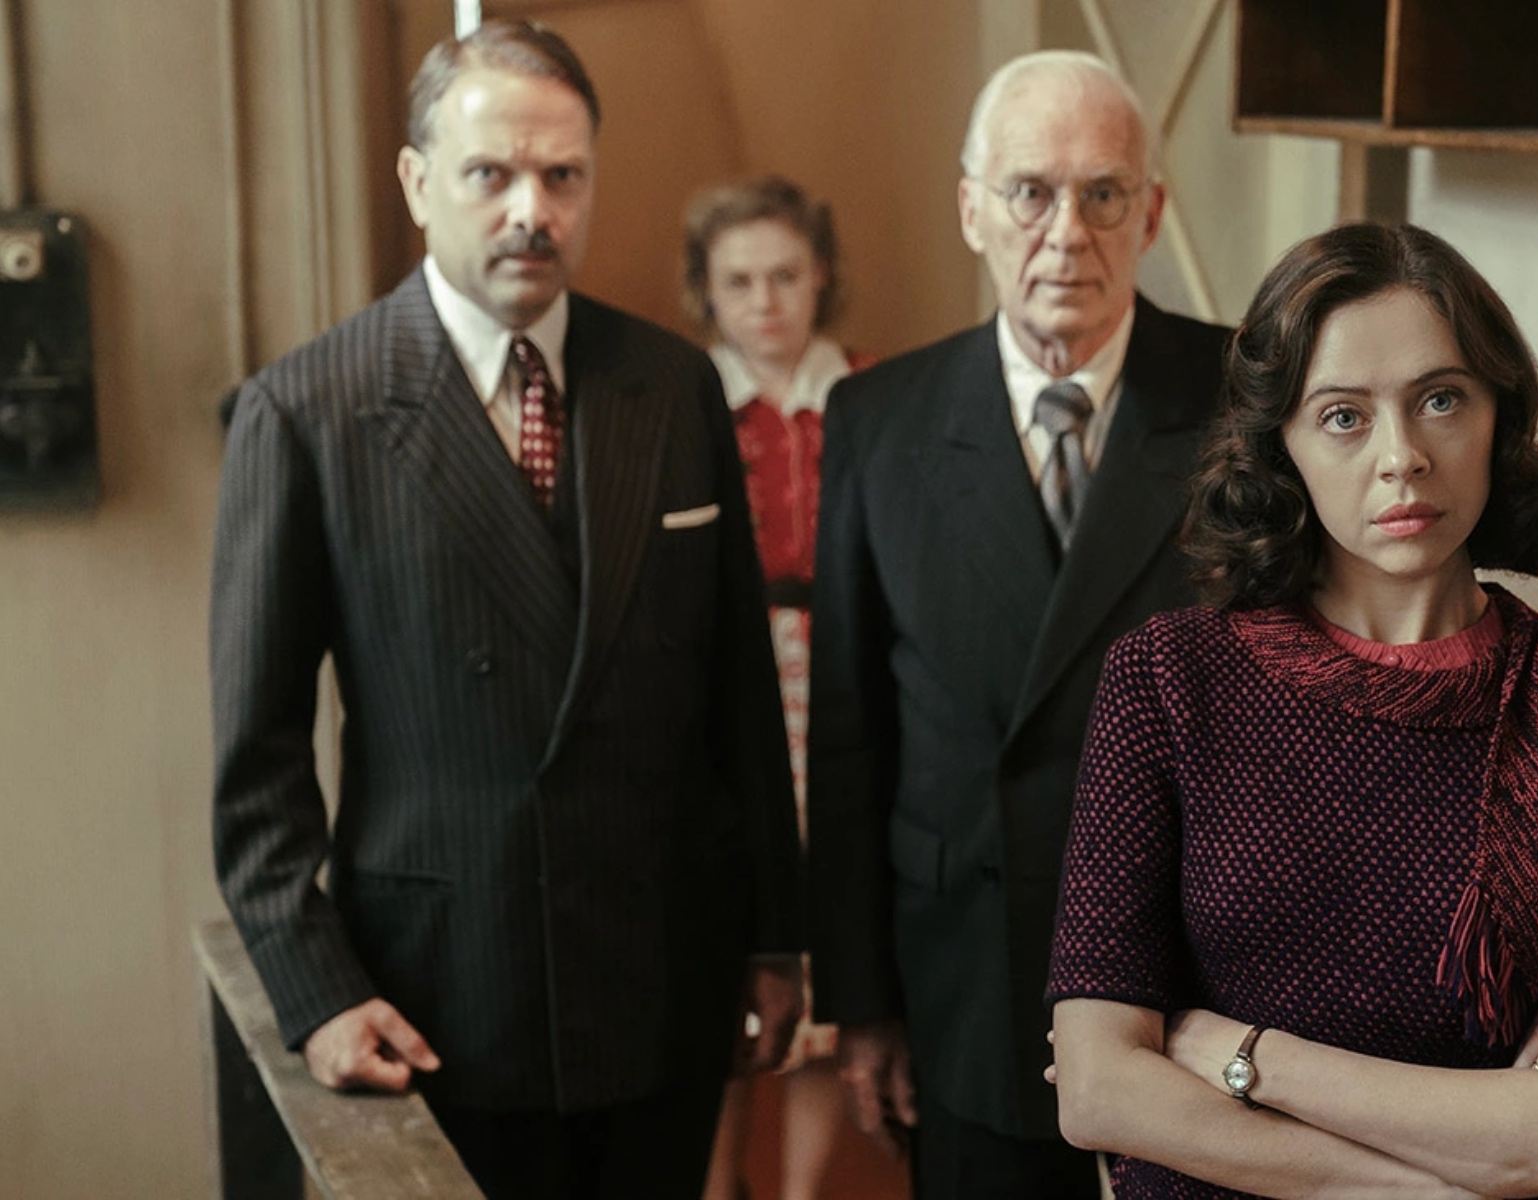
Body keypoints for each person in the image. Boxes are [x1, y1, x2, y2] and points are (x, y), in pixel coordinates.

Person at [209, 20, 802, 1199]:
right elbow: (257, 762)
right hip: (442, 997)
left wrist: (775, 935)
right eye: (490, 174)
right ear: (416, 182)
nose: (532, 210)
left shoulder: (670, 385)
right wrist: (317, 991)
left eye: (562, 176)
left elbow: (737, 693)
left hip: (661, 984)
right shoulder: (308, 411)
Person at [1045, 221, 1538, 1199]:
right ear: (1283, 445)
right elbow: (1098, 1091)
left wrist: (1243, 1056)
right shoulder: (1167, 681)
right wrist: (1465, 1172)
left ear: (1500, 415)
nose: (1402, 457)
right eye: (1343, 415)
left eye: (1441, 399)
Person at [806, 49, 1233, 1200]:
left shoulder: (1247, 398)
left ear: (1152, 214)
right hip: (964, 977)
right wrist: (863, 1004)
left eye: (1103, 195)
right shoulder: (876, 420)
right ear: (971, 209)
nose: (1065, 234)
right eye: (1030, 193)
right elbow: (850, 740)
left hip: (1196, 990)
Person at [684, 176, 873, 1200]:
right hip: (730, 691)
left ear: (821, 277)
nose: (764, 302)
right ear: (707, 292)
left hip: (842, 685)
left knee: (827, 944)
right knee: (730, 939)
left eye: (785, 276)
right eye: (740, 281)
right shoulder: (688, 402)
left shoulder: (868, 395)